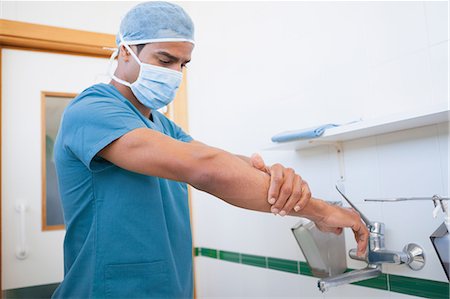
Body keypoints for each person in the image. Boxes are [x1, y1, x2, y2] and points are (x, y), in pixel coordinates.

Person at [52, 2, 368, 298]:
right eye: (165, 60)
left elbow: (226, 164)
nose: (175, 73)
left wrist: (273, 176)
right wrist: (323, 212)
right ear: (124, 51)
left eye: (183, 63)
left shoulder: (162, 126)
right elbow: (206, 168)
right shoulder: (93, 109)